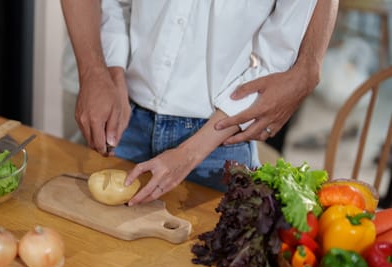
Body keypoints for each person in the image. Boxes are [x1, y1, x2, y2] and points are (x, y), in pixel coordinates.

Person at [60, 0, 338, 206]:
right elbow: (115, 4)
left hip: (217, 143)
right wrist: (108, 72)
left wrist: (190, 153)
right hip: (125, 120)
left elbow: (276, 67)